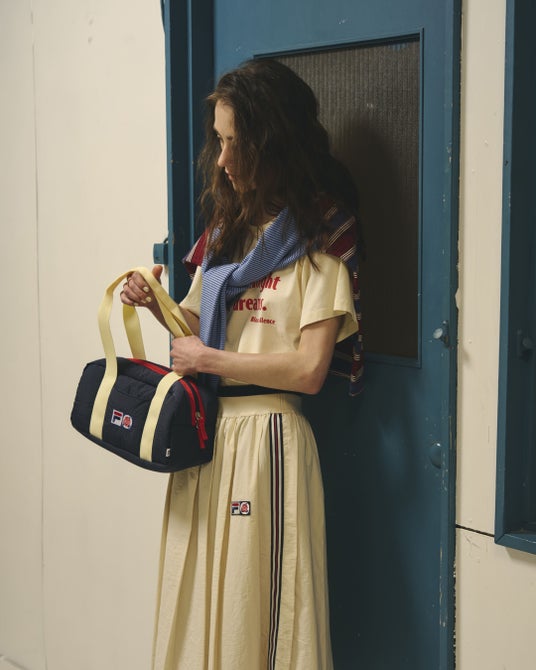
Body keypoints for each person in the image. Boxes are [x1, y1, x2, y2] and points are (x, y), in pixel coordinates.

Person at [121, 58, 362, 670]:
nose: (223, 160)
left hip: (269, 439)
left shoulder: (322, 235)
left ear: (271, 141)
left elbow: (310, 370)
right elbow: (190, 326)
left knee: (264, 606)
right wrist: (153, 301)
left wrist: (209, 357)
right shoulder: (227, 231)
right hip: (207, 435)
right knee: (206, 596)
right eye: (220, 141)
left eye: (236, 143)